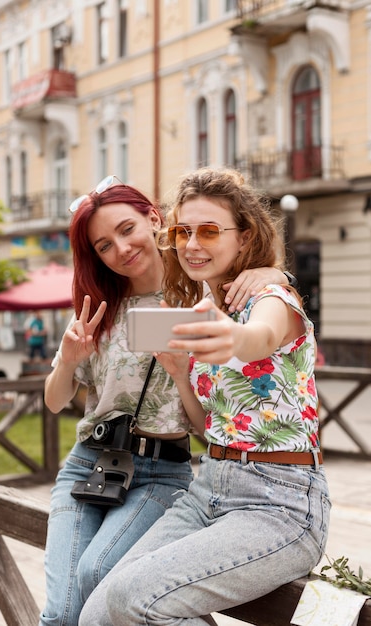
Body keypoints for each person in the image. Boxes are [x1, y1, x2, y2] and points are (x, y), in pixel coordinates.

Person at [78, 168, 330, 626]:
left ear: (245, 236)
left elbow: (260, 335)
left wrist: (233, 337)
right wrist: (178, 373)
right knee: (97, 613)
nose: (192, 244)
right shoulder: (203, 307)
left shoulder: (272, 297)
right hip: (208, 490)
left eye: (210, 231)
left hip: (280, 506)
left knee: (134, 599)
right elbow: (204, 426)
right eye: (183, 231)